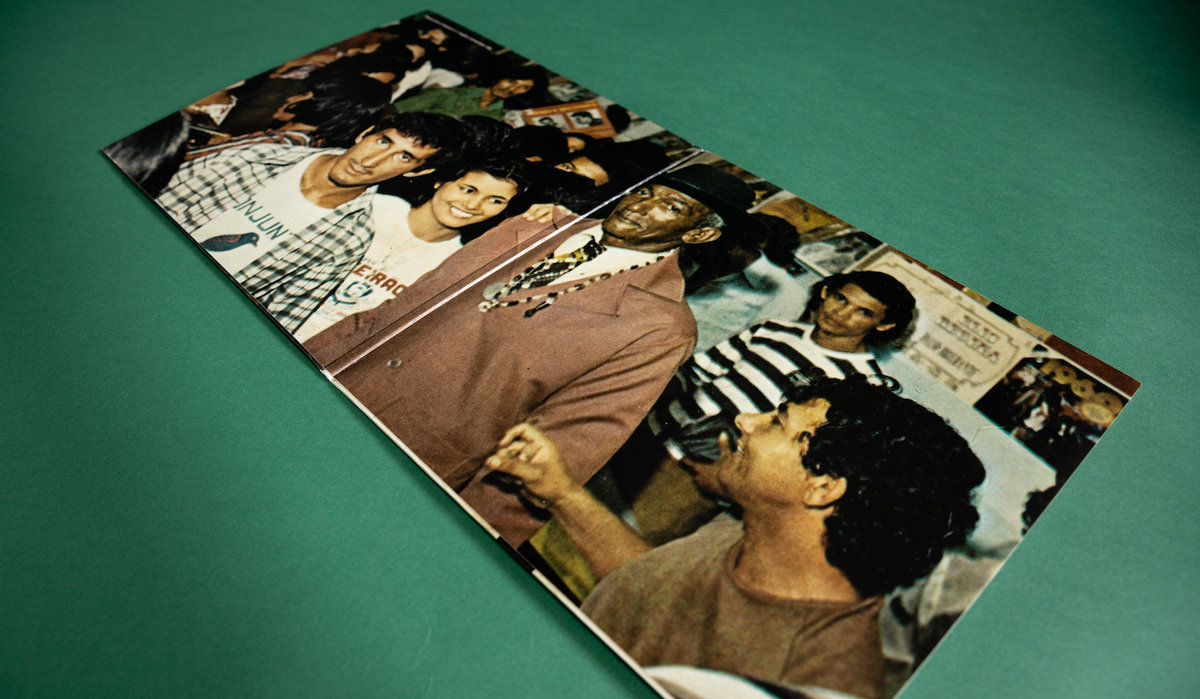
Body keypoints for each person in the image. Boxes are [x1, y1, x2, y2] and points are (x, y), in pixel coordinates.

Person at [305, 164, 755, 545]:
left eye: (671, 207)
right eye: (645, 191)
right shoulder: (532, 227)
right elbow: (398, 310)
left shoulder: (659, 326)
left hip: (411, 462)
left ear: (699, 233)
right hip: (329, 394)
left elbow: (565, 446)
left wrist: (467, 538)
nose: (640, 206)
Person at [485, 378, 985, 698]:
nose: (746, 421)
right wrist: (561, 493)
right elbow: (653, 593)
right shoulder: (749, 525)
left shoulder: (814, 676)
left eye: (776, 424)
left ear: (822, 486)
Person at [155, 112, 463, 331]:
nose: (370, 161)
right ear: (365, 133)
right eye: (383, 141)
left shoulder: (347, 241)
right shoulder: (256, 158)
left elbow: (274, 325)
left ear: (418, 172)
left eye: (404, 157)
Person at [293, 157, 533, 341]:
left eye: (496, 200)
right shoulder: (374, 208)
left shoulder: (455, 263)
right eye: (468, 189)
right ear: (441, 181)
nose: (473, 205)